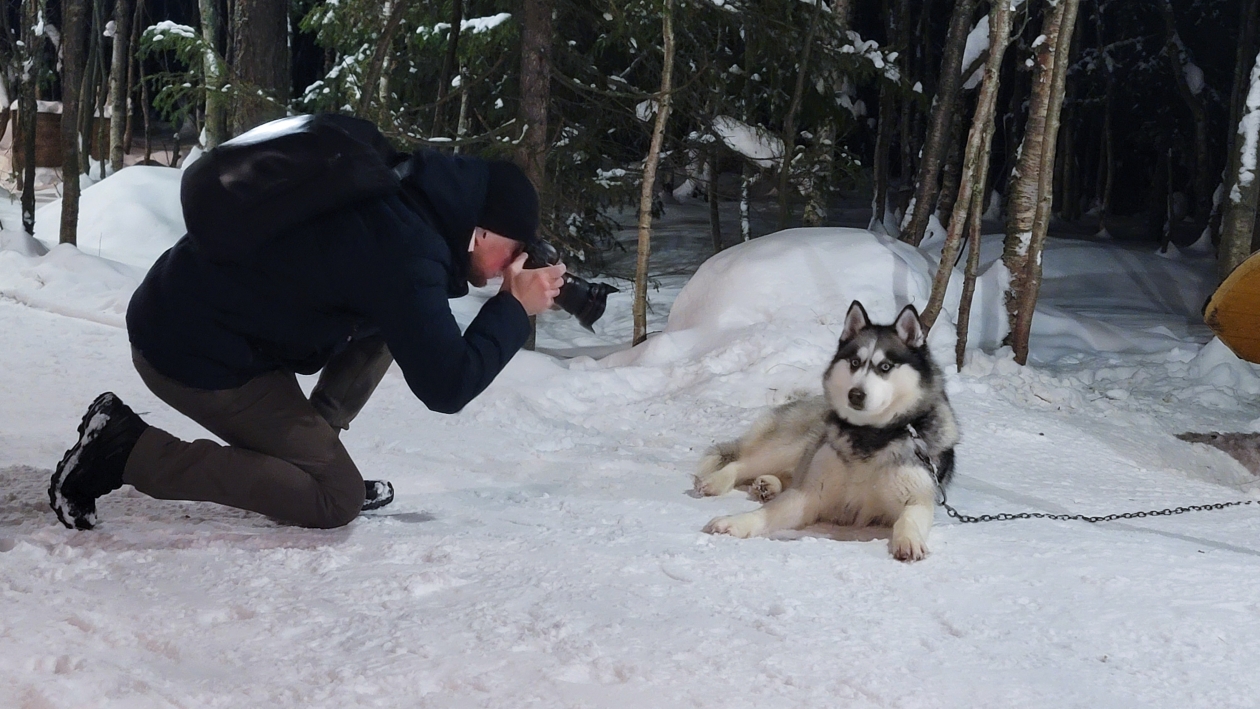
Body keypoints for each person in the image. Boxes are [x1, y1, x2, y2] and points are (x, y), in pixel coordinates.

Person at [47, 123, 566, 531]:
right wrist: (513, 308)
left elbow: (403, 309)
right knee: (334, 499)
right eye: (515, 248)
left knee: (391, 324)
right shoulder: (407, 253)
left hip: (188, 310)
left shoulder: (405, 193)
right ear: (478, 232)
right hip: (192, 354)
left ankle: (317, 451)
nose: (515, 262)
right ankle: (123, 450)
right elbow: (447, 386)